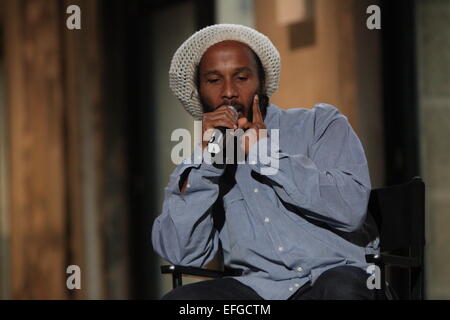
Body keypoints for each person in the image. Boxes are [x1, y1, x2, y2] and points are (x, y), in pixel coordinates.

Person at [152, 24, 380, 300]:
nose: (228, 92)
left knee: (343, 292)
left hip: (332, 280)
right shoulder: (201, 164)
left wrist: (265, 153)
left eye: (241, 77)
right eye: (213, 80)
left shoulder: (320, 125)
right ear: (199, 93)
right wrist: (208, 161)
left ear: (261, 82)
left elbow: (351, 209)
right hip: (258, 294)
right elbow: (182, 253)